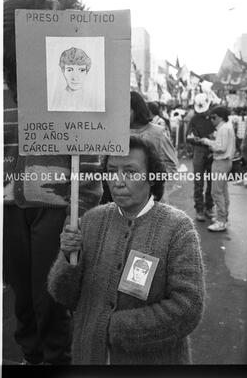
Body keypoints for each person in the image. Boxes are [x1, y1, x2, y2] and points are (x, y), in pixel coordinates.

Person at [3, 0, 103, 365]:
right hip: (8, 207)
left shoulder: (72, 86)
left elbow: (90, 155)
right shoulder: (3, 92)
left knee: (52, 300)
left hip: (58, 206)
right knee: (24, 301)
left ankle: (55, 360)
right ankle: (31, 357)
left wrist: (85, 208)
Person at [48, 135, 205, 365]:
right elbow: (63, 296)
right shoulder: (91, 221)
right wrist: (69, 259)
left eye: (130, 172)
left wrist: (113, 327)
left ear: (152, 177)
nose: (118, 181)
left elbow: (187, 309)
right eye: (111, 171)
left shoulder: (178, 229)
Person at [130, 91, 178, 204]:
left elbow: (172, 165)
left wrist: (151, 180)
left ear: (136, 110)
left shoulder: (158, 133)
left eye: (126, 109)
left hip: (153, 199)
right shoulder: (118, 134)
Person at [199, 106, 235, 232]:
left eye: (213, 117)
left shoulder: (223, 129)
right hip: (225, 162)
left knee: (217, 192)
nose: (212, 120)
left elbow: (221, 147)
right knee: (223, 191)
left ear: (220, 117)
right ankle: (223, 217)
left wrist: (207, 142)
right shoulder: (226, 127)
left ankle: (221, 221)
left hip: (220, 162)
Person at [186, 99, 215, 222]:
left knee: (211, 181)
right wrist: (195, 139)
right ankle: (199, 208)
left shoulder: (214, 118)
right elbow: (188, 136)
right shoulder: (194, 119)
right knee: (198, 182)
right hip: (198, 151)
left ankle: (209, 206)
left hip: (212, 150)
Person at [49, 47, 97, 112]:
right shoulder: (54, 100)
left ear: (87, 72)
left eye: (81, 70)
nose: (75, 77)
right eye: (69, 70)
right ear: (62, 71)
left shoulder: (93, 101)